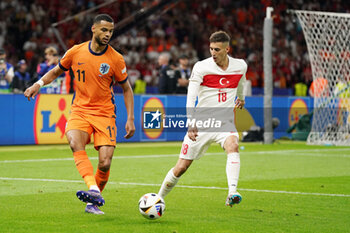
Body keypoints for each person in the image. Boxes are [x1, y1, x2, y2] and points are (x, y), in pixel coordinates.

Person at [24, 14, 135, 215]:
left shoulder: (116, 59)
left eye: (110, 31)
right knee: (75, 142)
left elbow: (127, 89)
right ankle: (93, 189)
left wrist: (130, 118)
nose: (108, 34)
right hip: (81, 110)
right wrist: (37, 85)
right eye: (104, 30)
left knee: (105, 162)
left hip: (105, 113)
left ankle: (92, 202)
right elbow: (56, 71)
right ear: (93, 29)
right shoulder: (76, 51)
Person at [157, 31, 247, 207]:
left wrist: (241, 98)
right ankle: (158, 197)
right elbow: (191, 96)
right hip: (202, 123)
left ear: (227, 49)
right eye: (211, 49)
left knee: (233, 145)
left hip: (225, 122)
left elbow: (242, 82)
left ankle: (232, 192)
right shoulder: (201, 67)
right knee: (181, 167)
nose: (213, 53)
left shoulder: (240, 65)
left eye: (217, 49)